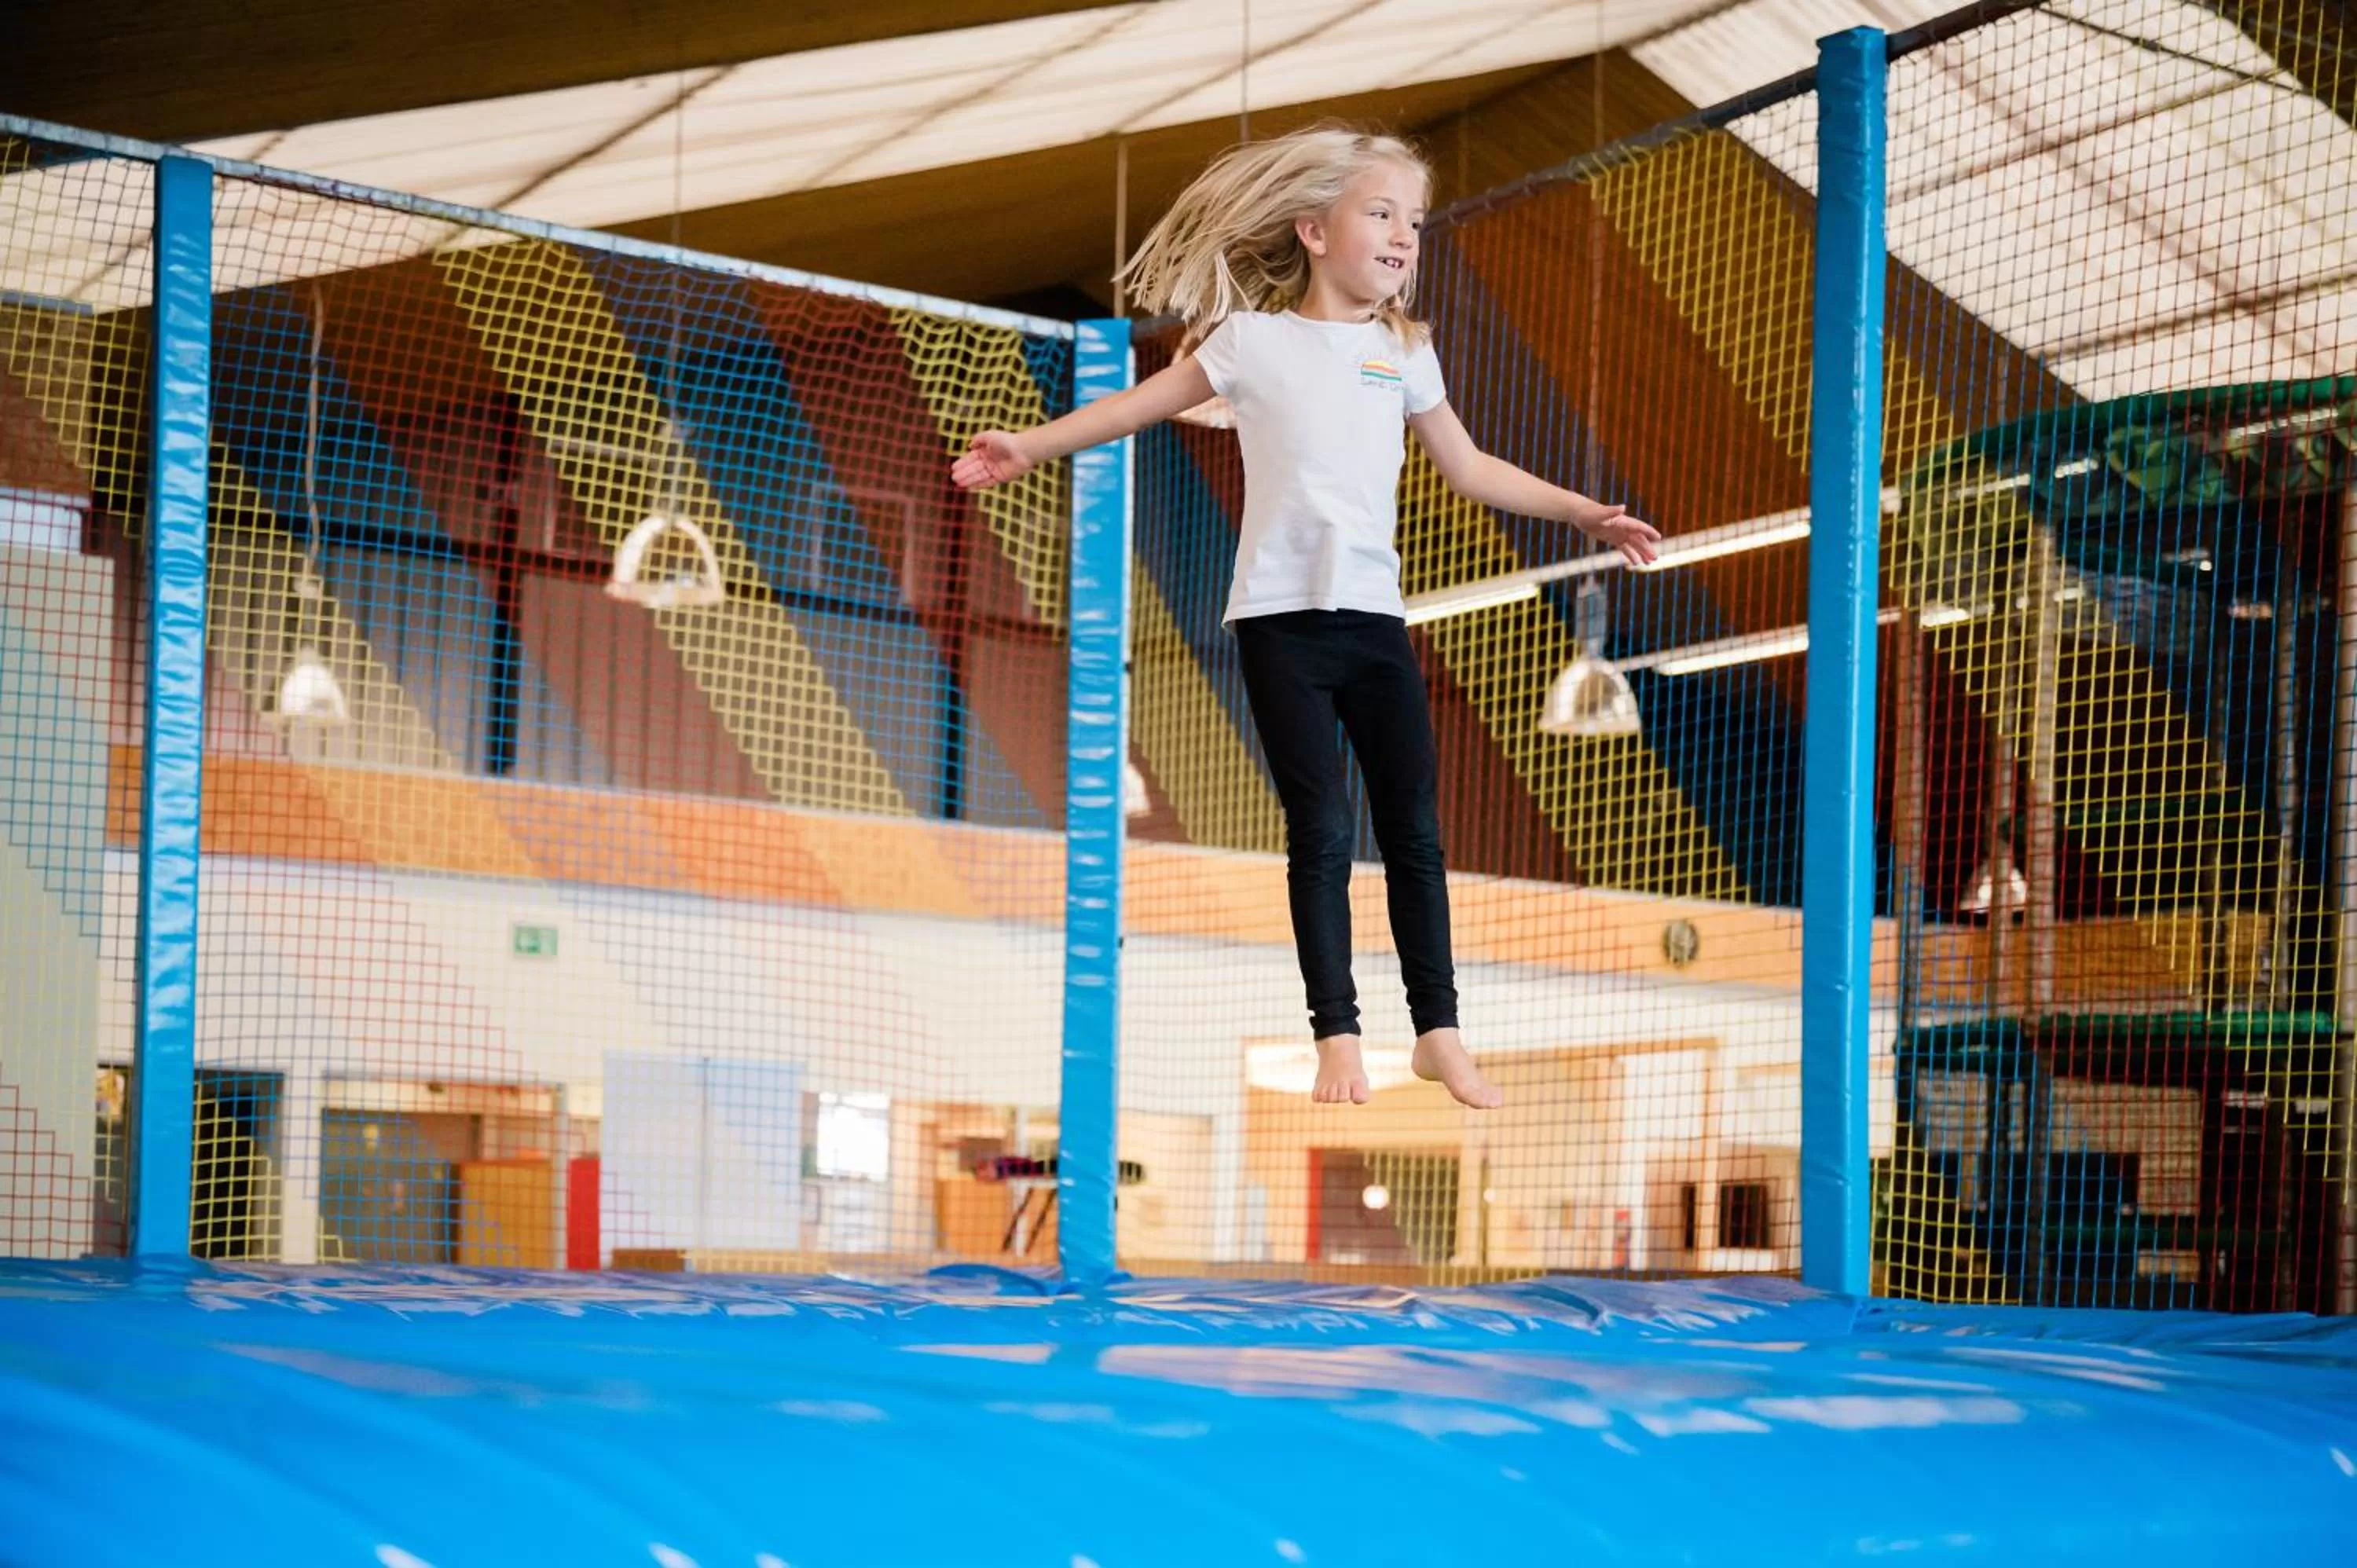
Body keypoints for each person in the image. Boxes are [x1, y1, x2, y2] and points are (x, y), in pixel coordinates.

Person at [951, 128, 1659, 1110]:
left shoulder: (1404, 351)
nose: (1405, 235)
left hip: (1374, 621)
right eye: (1382, 213)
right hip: (1279, 622)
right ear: (1314, 231)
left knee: (1413, 830)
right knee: (1320, 829)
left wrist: (1583, 511)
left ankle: (1438, 1031)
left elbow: (1470, 467)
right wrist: (1030, 443)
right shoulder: (1251, 340)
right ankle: (1338, 1031)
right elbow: (1134, 409)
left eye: (1414, 221)